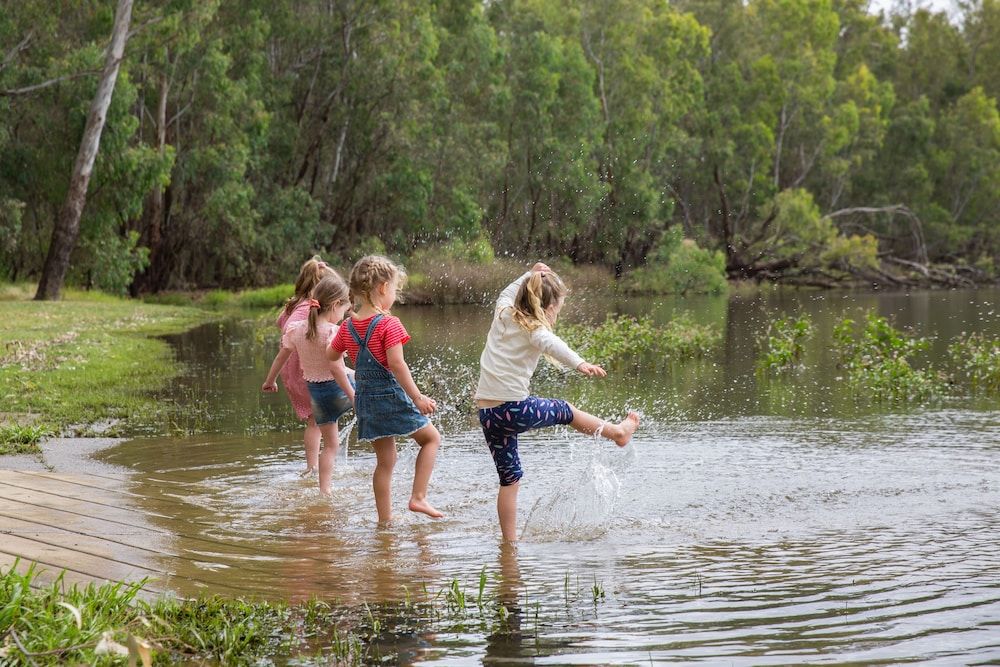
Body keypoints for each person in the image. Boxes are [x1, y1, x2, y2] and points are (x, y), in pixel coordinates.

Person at [475, 262, 639, 542]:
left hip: (488, 414)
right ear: (546, 307)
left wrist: (530, 273)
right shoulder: (534, 329)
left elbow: (507, 290)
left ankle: (509, 544)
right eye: (557, 309)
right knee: (565, 410)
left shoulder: (502, 311)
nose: (557, 315)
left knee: (509, 479)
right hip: (514, 409)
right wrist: (580, 363)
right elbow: (553, 345)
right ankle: (617, 433)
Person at [328, 255, 444, 523]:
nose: (394, 295)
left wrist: (353, 388)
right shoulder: (389, 324)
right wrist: (417, 397)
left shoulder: (347, 326)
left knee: (385, 461)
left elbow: (331, 356)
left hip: (366, 401)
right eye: (394, 289)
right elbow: (397, 365)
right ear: (382, 288)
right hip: (390, 397)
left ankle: (385, 520)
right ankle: (418, 497)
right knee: (431, 439)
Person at [263, 274, 355, 496]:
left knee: (330, 446)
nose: (343, 317)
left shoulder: (296, 330)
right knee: (373, 383)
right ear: (334, 306)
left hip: (317, 396)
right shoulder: (333, 332)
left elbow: (281, 358)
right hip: (336, 390)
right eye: (344, 311)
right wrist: (353, 396)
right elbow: (337, 369)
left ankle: (325, 490)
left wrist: (270, 380)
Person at [276, 257, 335, 476]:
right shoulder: (306, 308)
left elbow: (281, 323)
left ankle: (315, 465)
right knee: (315, 421)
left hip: (293, 371)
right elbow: (292, 327)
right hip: (305, 371)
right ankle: (312, 467)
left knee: (316, 420)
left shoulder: (294, 305)